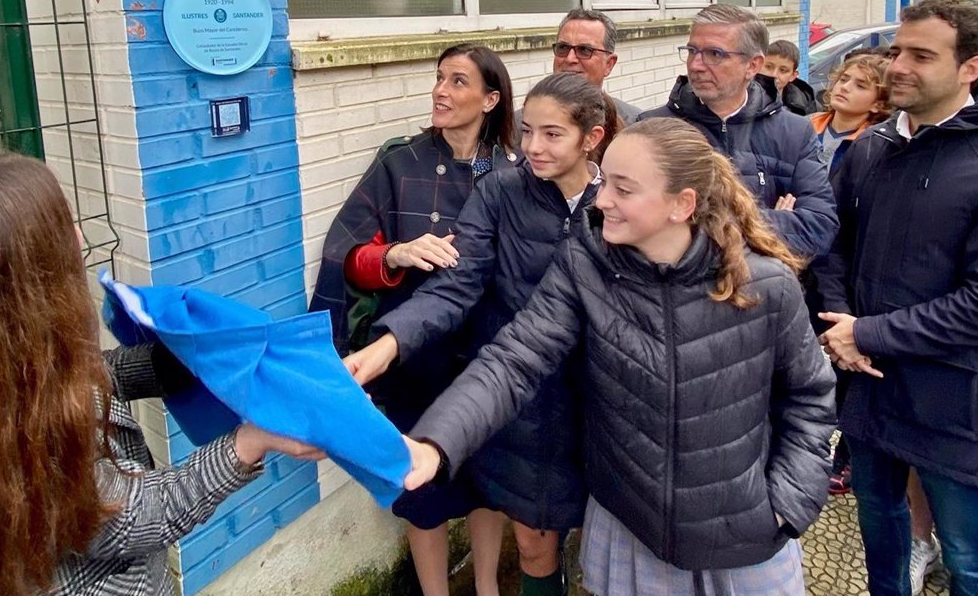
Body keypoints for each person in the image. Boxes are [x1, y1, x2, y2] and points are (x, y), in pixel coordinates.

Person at [401, 117, 836, 596]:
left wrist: (787, 504)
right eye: (604, 181)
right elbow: (513, 360)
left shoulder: (766, 286)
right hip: (632, 530)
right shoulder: (584, 268)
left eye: (622, 189)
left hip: (745, 540)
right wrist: (434, 443)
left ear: (681, 204)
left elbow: (809, 397)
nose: (601, 199)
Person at [0, 153, 325, 596]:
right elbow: (131, 514)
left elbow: (81, 383)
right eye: (61, 228)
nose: (79, 235)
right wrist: (252, 441)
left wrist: (176, 360)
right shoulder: (10, 436)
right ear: (22, 281)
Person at [815, 0, 978, 596]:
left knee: (971, 557)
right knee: (880, 529)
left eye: (921, 55)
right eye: (898, 50)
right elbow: (830, 242)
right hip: (869, 386)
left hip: (956, 396)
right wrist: (840, 323)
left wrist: (865, 333)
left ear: (970, 69)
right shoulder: (873, 148)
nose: (899, 65)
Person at [346, 72, 618, 596]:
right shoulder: (502, 192)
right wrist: (384, 348)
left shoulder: (617, 201)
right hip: (524, 402)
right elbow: (454, 286)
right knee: (535, 538)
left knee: (601, 541)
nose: (533, 147)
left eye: (553, 134)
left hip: (601, 403)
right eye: (528, 131)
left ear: (593, 137)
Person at [309, 43, 517, 596]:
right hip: (413, 359)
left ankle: (489, 585)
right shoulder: (399, 163)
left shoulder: (514, 172)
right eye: (439, 79)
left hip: (486, 358)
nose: (440, 92)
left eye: (457, 82)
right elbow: (348, 255)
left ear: (490, 99)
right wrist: (395, 254)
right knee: (420, 490)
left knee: (485, 482)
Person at [640, 3, 838, 257]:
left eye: (714, 54)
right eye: (692, 51)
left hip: (763, 289)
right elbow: (638, 220)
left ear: (753, 65)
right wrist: (770, 220)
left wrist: (696, 223)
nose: (696, 65)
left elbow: (819, 228)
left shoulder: (794, 132)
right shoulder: (653, 129)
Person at [805, 53, 890, 501]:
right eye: (843, 79)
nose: (845, 88)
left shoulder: (871, 143)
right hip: (802, 256)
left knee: (843, 365)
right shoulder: (808, 126)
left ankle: (845, 456)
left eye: (860, 85)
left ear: (879, 101)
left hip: (839, 261)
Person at [516, 7, 642, 127]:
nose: (570, 59)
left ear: (609, 64)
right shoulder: (516, 126)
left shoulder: (634, 125)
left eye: (584, 50)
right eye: (563, 48)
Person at [762, 39, 820, 115]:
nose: (774, 75)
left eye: (783, 70)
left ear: (793, 76)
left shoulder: (807, 105)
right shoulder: (744, 97)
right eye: (769, 67)